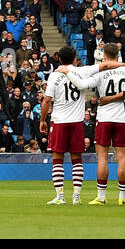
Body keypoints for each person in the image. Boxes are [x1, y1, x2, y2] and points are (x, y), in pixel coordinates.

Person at [66, 43, 125, 205]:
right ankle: (122, 198)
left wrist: (67, 72)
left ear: (104, 56)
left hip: (104, 118)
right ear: (118, 54)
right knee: (122, 158)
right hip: (122, 117)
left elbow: (82, 84)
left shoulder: (101, 71)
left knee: (102, 157)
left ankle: (101, 197)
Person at [42, 45, 87, 205]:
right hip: (76, 121)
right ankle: (76, 196)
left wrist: (42, 120)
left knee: (57, 158)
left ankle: (60, 196)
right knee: (77, 159)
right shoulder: (80, 73)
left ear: (59, 59)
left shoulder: (55, 75)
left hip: (59, 121)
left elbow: (47, 100)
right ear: (75, 59)